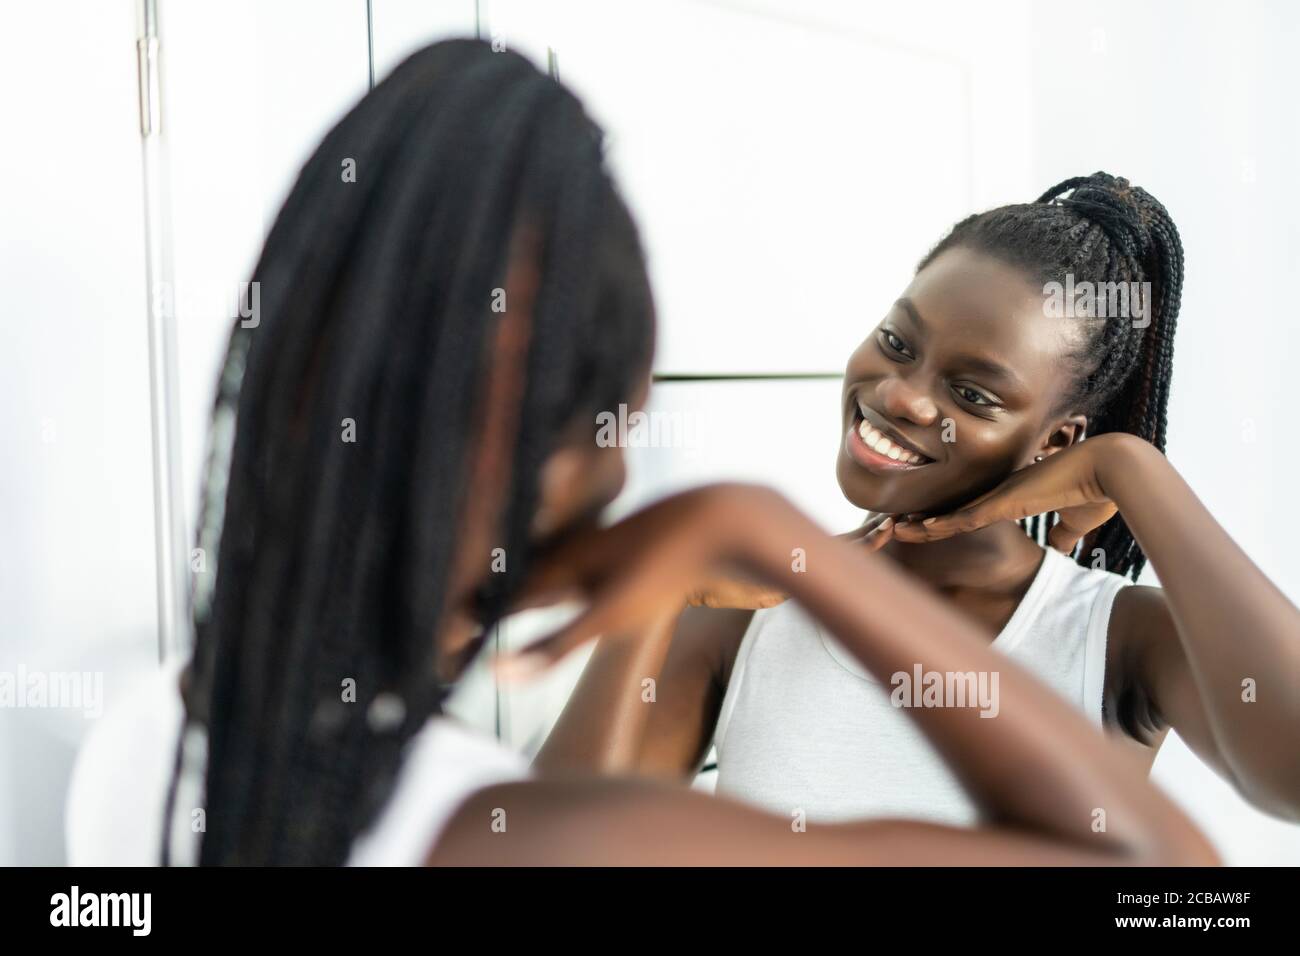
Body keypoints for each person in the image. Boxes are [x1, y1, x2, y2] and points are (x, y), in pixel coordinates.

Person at [113, 40, 1216, 866]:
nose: (903, 394)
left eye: (972, 389)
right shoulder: (512, 820)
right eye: (616, 430)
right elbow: (1159, 872)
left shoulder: (155, 743)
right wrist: (759, 533)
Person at [545, 171, 1300, 830]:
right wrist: (653, 599)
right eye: (898, 343)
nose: (900, 396)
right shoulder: (745, 603)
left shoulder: (1117, 637)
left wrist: (1135, 472)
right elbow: (552, 854)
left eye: (971, 394)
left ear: (1057, 443)